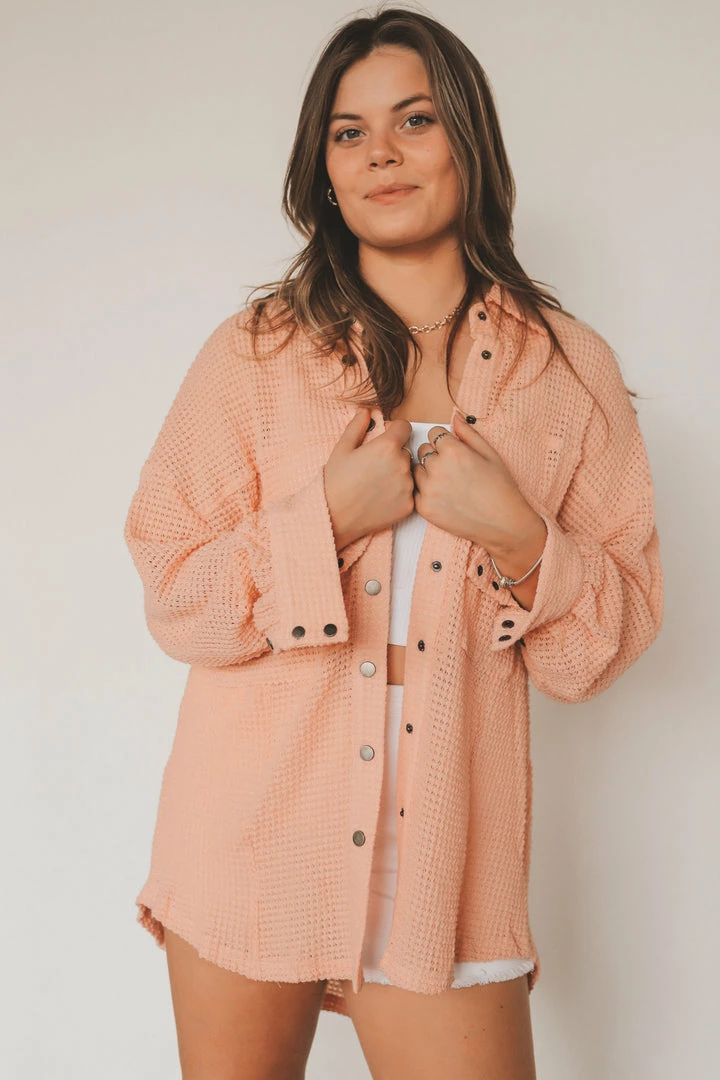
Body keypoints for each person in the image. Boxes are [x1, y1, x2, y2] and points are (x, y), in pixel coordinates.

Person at [123, 7, 664, 1079]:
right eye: (349, 132)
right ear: (323, 169)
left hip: (447, 870)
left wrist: (521, 535)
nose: (381, 153)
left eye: (414, 120)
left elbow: (599, 651)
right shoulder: (255, 357)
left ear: (469, 141)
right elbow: (177, 597)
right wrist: (324, 518)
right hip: (252, 840)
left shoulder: (568, 374)